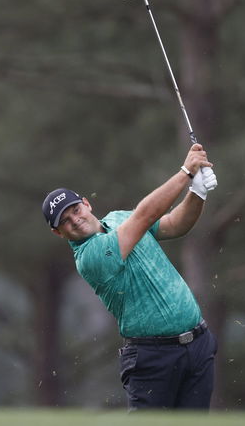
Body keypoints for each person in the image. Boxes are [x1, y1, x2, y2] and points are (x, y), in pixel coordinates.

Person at [41, 143, 218, 410]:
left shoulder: (119, 218)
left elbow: (173, 224)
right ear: (59, 233)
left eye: (75, 210)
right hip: (153, 358)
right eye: (65, 221)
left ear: (86, 204)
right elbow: (145, 216)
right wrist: (185, 173)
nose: (75, 220)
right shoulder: (89, 257)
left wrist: (197, 192)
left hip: (198, 346)